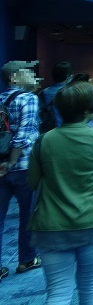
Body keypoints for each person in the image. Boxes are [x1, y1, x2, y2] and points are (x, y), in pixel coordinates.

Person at [28, 81, 93, 305]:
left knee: (58, 291)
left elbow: (32, 183)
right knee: (90, 283)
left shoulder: (43, 141)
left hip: (51, 227)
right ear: (86, 110)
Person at [0, 60, 42, 280]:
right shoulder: (29, 99)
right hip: (22, 167)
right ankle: (26, 260)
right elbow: (24, 135)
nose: (33, 74)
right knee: (28, 215)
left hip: (0, 169)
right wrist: (12, 162)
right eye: (27, 71)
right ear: (14, 77)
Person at [39, 61, 73, 130]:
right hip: (68, 131)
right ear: (68, 76)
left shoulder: (42, 93)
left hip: (48, 132)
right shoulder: (72, 93)